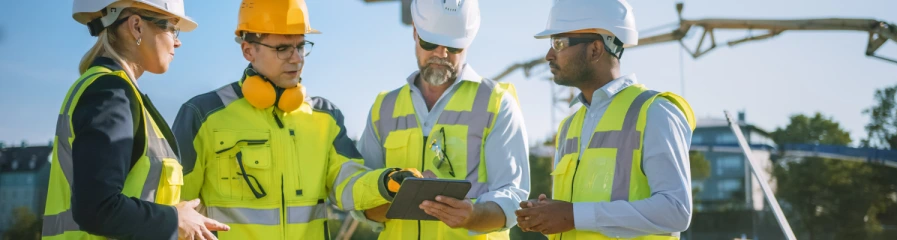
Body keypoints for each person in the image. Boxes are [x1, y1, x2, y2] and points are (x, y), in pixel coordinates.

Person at [171, 0, 413, 239]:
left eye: (300, 46)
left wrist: (386, 182)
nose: (297, 58)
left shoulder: (326, 118)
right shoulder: (202, 115)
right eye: (283, 48)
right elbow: (176, 204)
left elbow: (348, 183)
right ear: (248, 50)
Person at [43, 0, 230, 239]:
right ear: (136, 27)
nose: (177, 41)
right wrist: (175, 219)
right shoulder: (111, 93)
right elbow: (97, 208)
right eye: (172, 28)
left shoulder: (109, 89)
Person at [515, 0, 697, 239]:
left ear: (595, 50)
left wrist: (573, 215)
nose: (549, 55)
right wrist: (546, 214)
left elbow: (676, 211)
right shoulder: (569, 126)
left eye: (558, 43)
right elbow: (573, 214)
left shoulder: (654, 112)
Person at [354, 0, 531, 239]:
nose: (441, 53)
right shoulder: (383, 108)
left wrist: (473, 215)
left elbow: (513, 196)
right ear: (415, 32)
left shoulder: (498, 104)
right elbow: (358, 196)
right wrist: (397, 199)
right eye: (430, 42)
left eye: (453, 47)